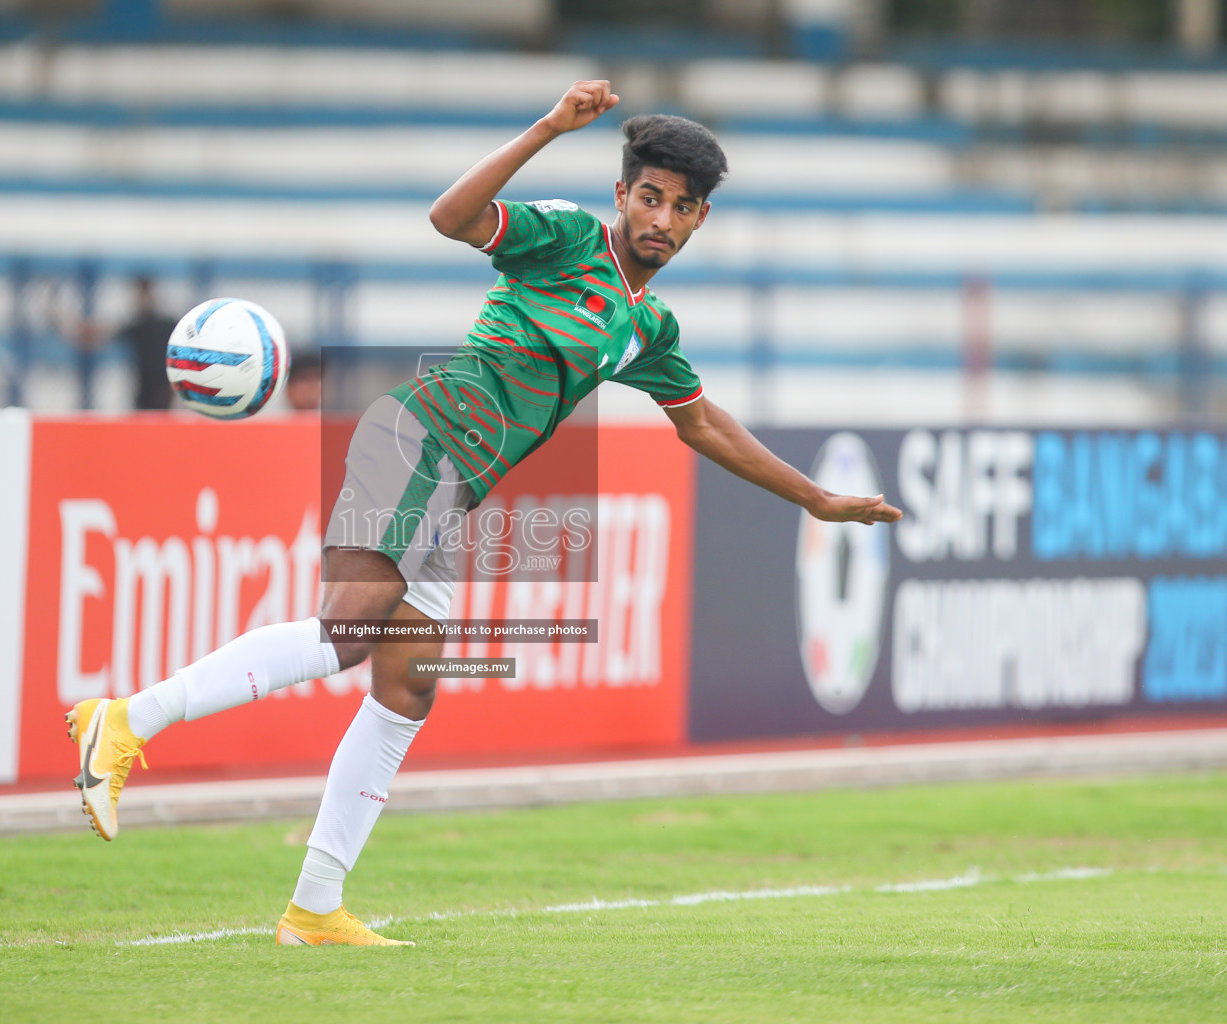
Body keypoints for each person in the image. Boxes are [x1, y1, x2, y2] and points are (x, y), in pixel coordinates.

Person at [64, 81, 902, 947]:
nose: (661, 216)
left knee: (408, 685)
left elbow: (701, 422)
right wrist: (548, 127)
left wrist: (817, 498)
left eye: (681, 206)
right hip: (419, 442)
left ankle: (314, 906)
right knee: (349, 633)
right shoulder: (569, 238)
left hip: (454, 486)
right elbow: (451, 218)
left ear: (698, 221)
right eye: (648, 196)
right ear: (622, 196)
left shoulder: (647, 325)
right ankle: (127, 720)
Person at [114, 276, 175, 410]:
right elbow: (95, 337)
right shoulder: (135, 326)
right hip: (142, 390)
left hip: (163, 390)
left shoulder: (168, 325)